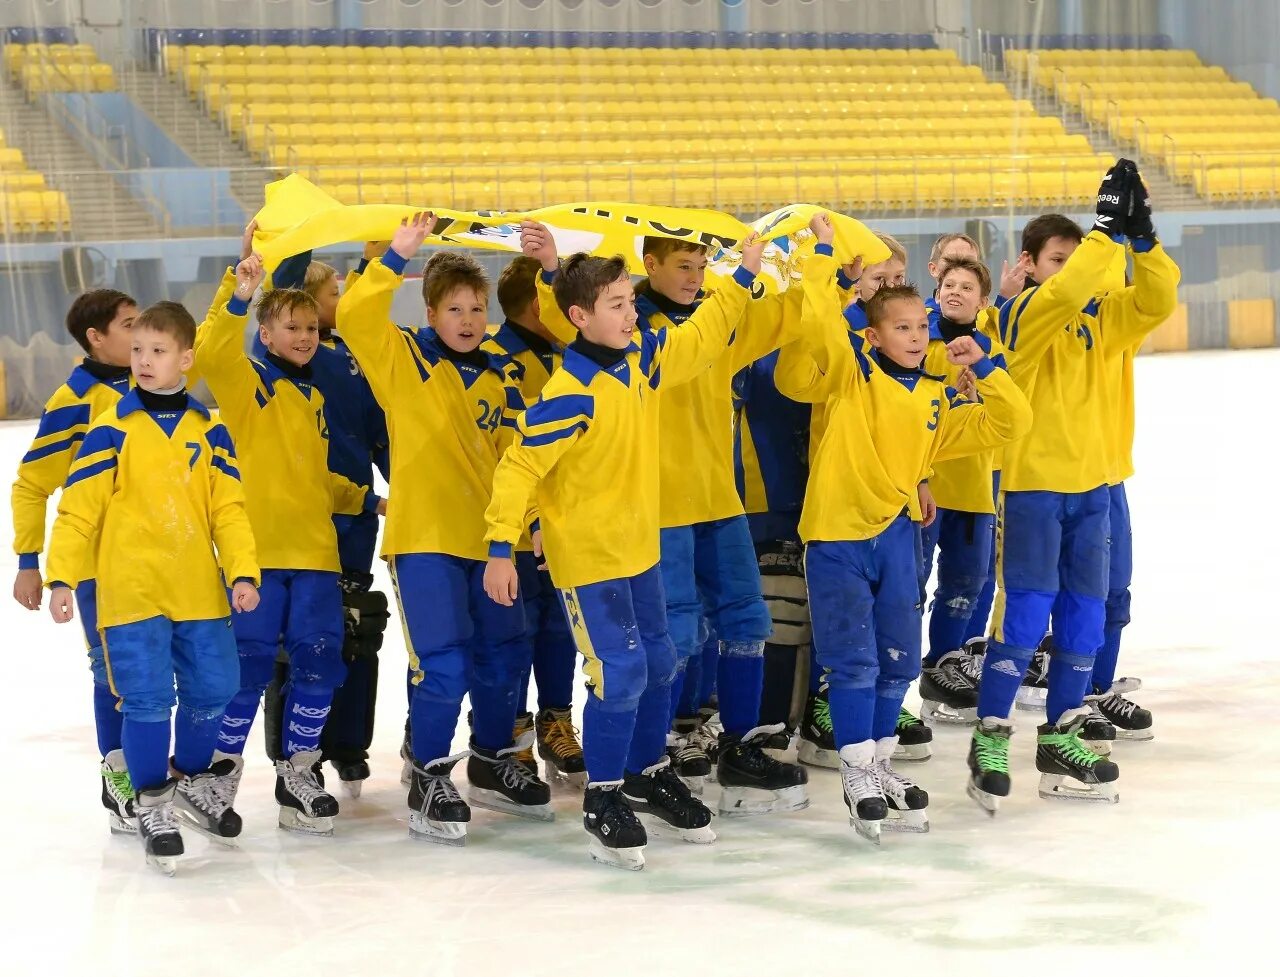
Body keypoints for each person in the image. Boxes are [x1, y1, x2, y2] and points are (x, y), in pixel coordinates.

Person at [484, 239, 763, 869]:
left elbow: (698, 342)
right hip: (590, 562)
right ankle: (603, 796)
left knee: (662, 659)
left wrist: (742, 276)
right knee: (623, 671)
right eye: (615, 304)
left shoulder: (639, 359)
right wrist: (501, 546)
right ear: (580, 317)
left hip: (639, 551)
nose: (630, 313)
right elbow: (518, 469)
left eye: (628, 301)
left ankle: (644, 771)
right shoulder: (567, 392)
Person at [523, 222, 808, 815]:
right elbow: (571, 320)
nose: (694, 276)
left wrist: (817, 269)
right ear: (647, 265)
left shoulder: (706, 324)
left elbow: (780, 319)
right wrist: (553, 267)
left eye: (701, 266)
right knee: (667, 642)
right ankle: (652, 755)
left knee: (747, 623)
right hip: (653, 512)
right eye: (682, 265)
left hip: (720, 501)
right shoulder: (634, 335)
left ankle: (738, 744)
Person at [777, 213, 1031, 842]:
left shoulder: (936, 399)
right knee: (853, 662)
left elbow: (1010, 426)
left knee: (895, 662)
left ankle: (883, 763)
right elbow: (814, 338)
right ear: (873, 333)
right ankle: (856, 767)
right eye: (903, 327)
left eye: (923, 327)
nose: (919, 337)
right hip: (837, 538)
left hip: (897, 538)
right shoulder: (850, 379)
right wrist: (829, 267)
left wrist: (989, 365)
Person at [970, 159, 1179, 812]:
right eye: (1057, 258)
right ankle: (991, 732)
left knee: (1085, 615)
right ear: (1029, 264)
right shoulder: (1016, 318)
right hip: (1034, 488)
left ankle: (1061, 729)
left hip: (1096, 489)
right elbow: (1063, 295)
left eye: (1074, 256)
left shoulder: (1104, 316)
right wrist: (1104, 234)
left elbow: (1156, 299)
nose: (1071, 268)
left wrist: (1142, 242)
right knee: (1027, 613)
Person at [337, 214, 550, 846]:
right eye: (454, 308)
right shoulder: (402, 360)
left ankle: (490, 758)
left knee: (503, 658)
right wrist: (395, 256)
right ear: (430, 314)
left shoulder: (505, 373)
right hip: (426, 540)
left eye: (477, 308)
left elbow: (521, 456)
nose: (467, 319)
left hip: (493, 544)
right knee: (445, 664)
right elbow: (353, 319)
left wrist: (529, 523)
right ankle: (428, 772)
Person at [44, 300, 259, 874]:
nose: (143, 360)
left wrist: (242, 570)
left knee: (215, 688)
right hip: (132, 592)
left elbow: (231, 510)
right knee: (144, 701)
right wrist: (60, 574)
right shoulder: (110, 427)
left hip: (198, 591)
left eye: (157, 351)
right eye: (137, 349)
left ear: (186, 359)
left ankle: (187, 780)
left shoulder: (210, 429)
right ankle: (152, 802)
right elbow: (77, 511)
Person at [199, 253, 381, 837]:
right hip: (258, 557)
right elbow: (208, 354)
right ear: (266, 333)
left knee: (319, 666)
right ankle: (217, 775)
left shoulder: (312, 399)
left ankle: (298, 773)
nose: (304, 337)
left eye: (310, 327)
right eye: (291, 328)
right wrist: (237, 290)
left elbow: (313, 477)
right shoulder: (247, 383)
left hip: (316, 559)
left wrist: (364, 499)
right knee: (247, 668)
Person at [258, 238, 392, 798]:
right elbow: (275, 291)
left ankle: (348, 745)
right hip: (300, 525)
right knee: (298, 643)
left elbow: (380, 431)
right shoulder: (273, 369)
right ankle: (293, 755)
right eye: (335, 293)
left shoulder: (352, 359)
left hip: (354, 517)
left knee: (357, 632)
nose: (342, 300)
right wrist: (298, 234)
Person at [11, 289, 139, 833]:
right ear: (97, 337)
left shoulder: (150, 381)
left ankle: (154, 770)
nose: (142, 334)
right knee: (112, 672)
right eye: (130, 324)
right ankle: (122, 782)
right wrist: (28, 560)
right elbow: (32, 483)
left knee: (164, 669)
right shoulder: (73, 400)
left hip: (162, 556)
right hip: (96, 562)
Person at [916, 258, 1011, 729]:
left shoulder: (989, 351)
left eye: (967, 287)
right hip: (926, 484)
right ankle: (894, 682)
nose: (955, 292)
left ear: (983, 301)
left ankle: (944, 663)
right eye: (948, 285)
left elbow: (1005, 413)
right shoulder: (918, 340)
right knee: (910, 585)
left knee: (965, 583)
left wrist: (980, 392)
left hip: (973, 487)